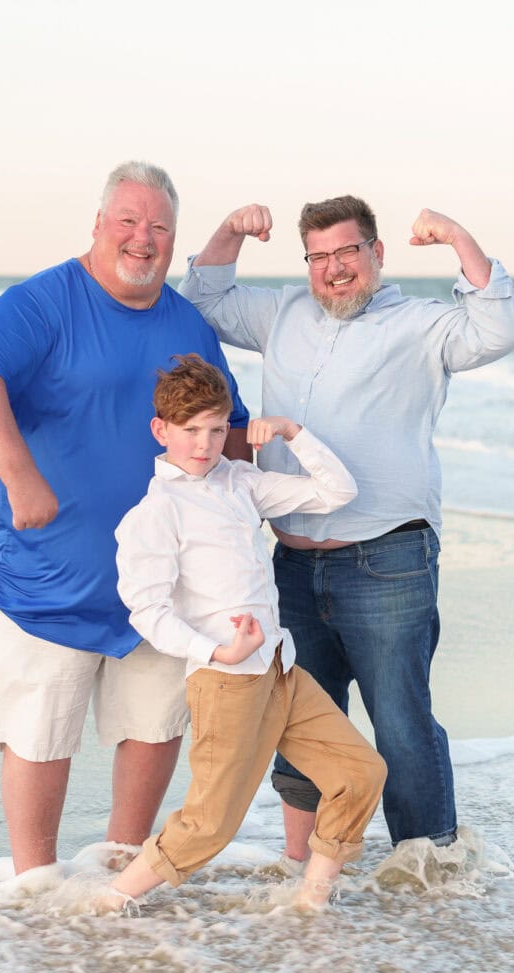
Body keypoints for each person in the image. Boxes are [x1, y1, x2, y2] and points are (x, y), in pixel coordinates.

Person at [178, 195, 514, 866]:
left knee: (399, 722)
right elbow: (203, 298)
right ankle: (305, 868)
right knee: (299, 715)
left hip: (387, 559)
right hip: (292, 564)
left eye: (347, 253)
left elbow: (499, 327)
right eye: (320, 257)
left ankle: (429, 869)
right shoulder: (283, 313)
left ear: (376, 254)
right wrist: (230, 230)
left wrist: (455, 235)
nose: (334, 270)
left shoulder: (423, 325)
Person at [0, 162, 250, 875]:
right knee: (40, 730)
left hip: (160, 574)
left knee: (154, 723)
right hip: (46, 571)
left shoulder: (186, 323)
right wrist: (20, 475)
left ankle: (123, 871)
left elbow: (226, 429)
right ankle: (34, 886)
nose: (143, 240)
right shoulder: (45, 302)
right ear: (98, 226)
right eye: (128, 223)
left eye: (159, 228)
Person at [95, 354, 385, 912]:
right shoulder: (154, 513)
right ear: (161, 430)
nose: (203, 444)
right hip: (226, 680)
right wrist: (218, 651)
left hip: (280, 668)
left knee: (359, 772)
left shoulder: (241, 482)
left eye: (213, 429)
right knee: (209, 826)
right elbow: (146, 611)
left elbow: (335, 492)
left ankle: (311, 902)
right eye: (189, 431)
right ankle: (106, 903)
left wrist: (292, 433)